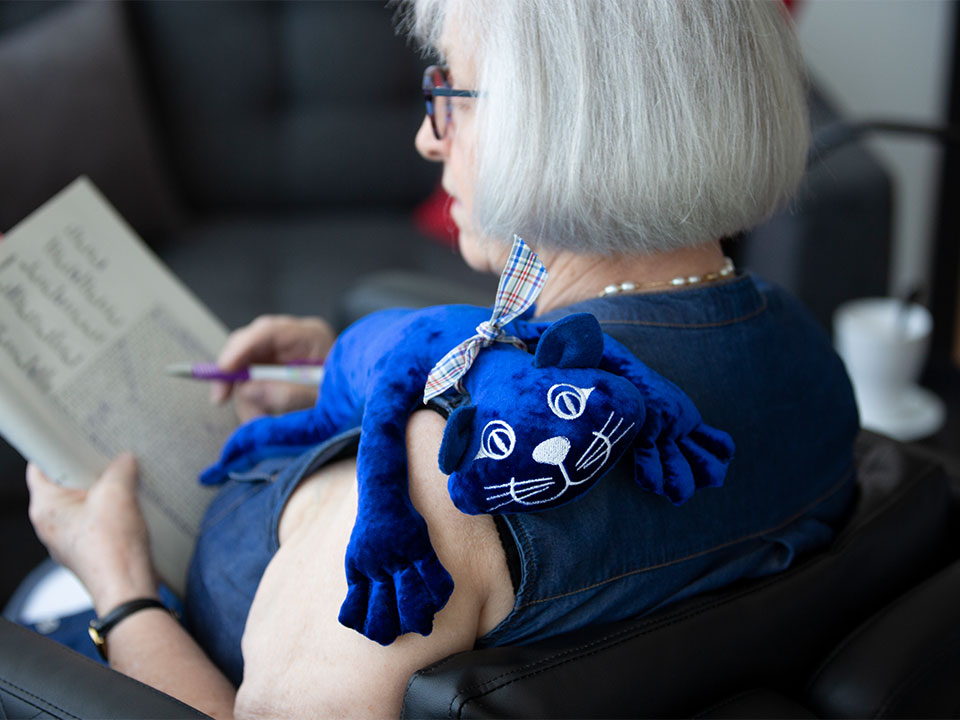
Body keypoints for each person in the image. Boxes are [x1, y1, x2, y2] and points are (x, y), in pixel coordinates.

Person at [24, 1, 858, 717]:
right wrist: (344, 379)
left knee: (39, 594)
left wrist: (120, 586)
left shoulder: (432, 499)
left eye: (449, 93)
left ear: (556, 124)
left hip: (161, 640)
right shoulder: (807, 357)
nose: (429, 139)